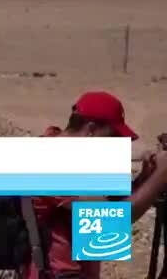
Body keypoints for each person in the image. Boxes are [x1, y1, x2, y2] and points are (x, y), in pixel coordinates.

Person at [19, 91, 167, 279]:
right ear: (91, 130)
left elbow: (109, 203)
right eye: (113, 138)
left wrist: (145, 177)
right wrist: (160, 177)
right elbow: (114, 221)